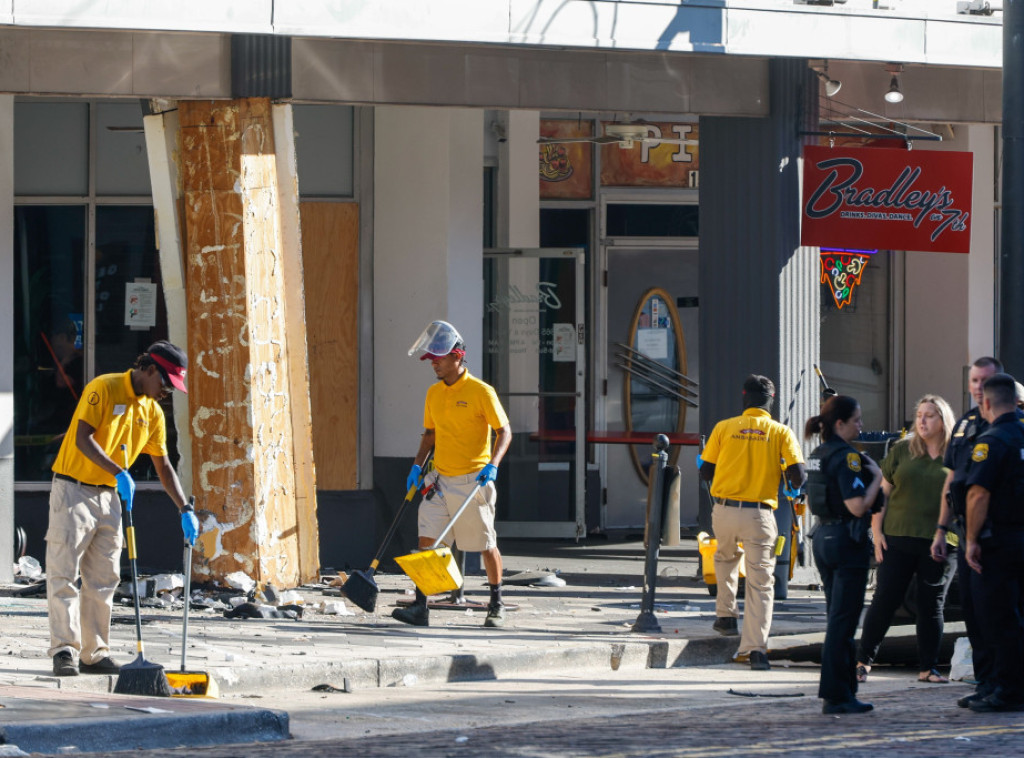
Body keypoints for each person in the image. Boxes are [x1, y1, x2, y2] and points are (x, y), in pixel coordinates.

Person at [46, 341, 199, 677]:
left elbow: (163, 466)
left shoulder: (152, 412)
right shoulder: (104, 387)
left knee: (103, 579)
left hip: (111, 499)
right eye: (165, 383)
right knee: (63, 574)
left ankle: (95, 653)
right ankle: (64, 652)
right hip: (73, 490)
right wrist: (119, 471)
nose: (166, 392)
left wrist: (184, 508)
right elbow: (82, 438)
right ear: (149, 369)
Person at [393, 321, 512, 629]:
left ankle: (496, 604)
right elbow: (430, 435)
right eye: (431, 358)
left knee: (486, 544)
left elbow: (504, 431)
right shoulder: (433, 394)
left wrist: (494, 463)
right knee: (426, 543)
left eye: (439, 358)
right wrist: (417, 466)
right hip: (441, 481)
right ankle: (421, 607)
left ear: (457, 356)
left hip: (474, 480)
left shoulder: (481, 392)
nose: (434, 363)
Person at [699, 374, 805, 671]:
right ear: (771, 401)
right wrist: (788, 482)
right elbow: (799, 475)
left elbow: (706, 473)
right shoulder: (780, 431)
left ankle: (726, 616)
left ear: (744, 397)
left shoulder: (724, 427)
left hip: (724, 509)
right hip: (759, 515)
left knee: (725, 559)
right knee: (761, 582)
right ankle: (756, 650)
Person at [856, 395, 957, 684]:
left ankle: (928, 668)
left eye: (930, 415)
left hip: (942, 540)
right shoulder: (902, 450)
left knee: (931, 604)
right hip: (898, 536)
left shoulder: (955, 452)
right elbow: (882, 494)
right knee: (885, 599)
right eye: (920, 414)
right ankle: (863, 661)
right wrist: (876, 534)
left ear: (944, 420)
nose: (923, 421)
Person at [930, 356, 1002, 709]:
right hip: (965, 530)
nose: (977, 387)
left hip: (998, 534)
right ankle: (986, 683)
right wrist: (941, 529)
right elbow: (952, 480)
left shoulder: (1008, 423)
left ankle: (1006, 684)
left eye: (984, 381)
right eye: (974, 381)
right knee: (973, 614)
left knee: (999, 614)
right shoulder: (963, 425)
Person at [805, 395, 884, 714]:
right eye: (857, 420)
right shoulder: (847, 457)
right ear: (840, 424)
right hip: (844, 540)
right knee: (844, 620)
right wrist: (877, 477)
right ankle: (837, 695)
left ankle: (839, 692)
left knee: (836, 617)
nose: (861, 425)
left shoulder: (817, 453)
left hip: (822, 536)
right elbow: (857, 505)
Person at [962, 372, 1024, 712]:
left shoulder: (992, 440)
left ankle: (1008, 690)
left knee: (998, 618)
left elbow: (977, 495)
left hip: (999, 542)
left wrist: (971, 540)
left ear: (985, 402)